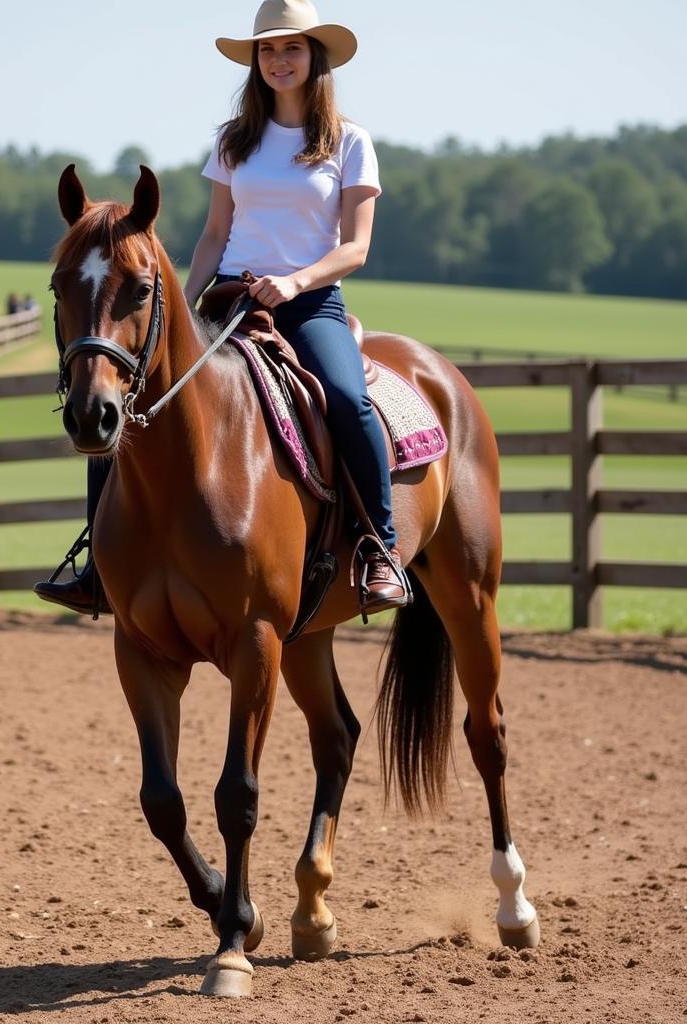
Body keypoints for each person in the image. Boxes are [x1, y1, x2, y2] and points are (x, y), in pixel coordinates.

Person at [35, 0, 408, 615]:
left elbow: (356, 247)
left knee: (347, 398)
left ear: (315, 57)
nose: (278, 60)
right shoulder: (234, 141)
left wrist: (293, 283)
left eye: (291, 48)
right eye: (267, 49)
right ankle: (96, 564)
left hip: (309, 303)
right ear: (255, 61)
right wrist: (178, 305)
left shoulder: (349, 143)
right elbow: (214, 233)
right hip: (228, 298)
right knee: (134, 400)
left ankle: (378, 549)